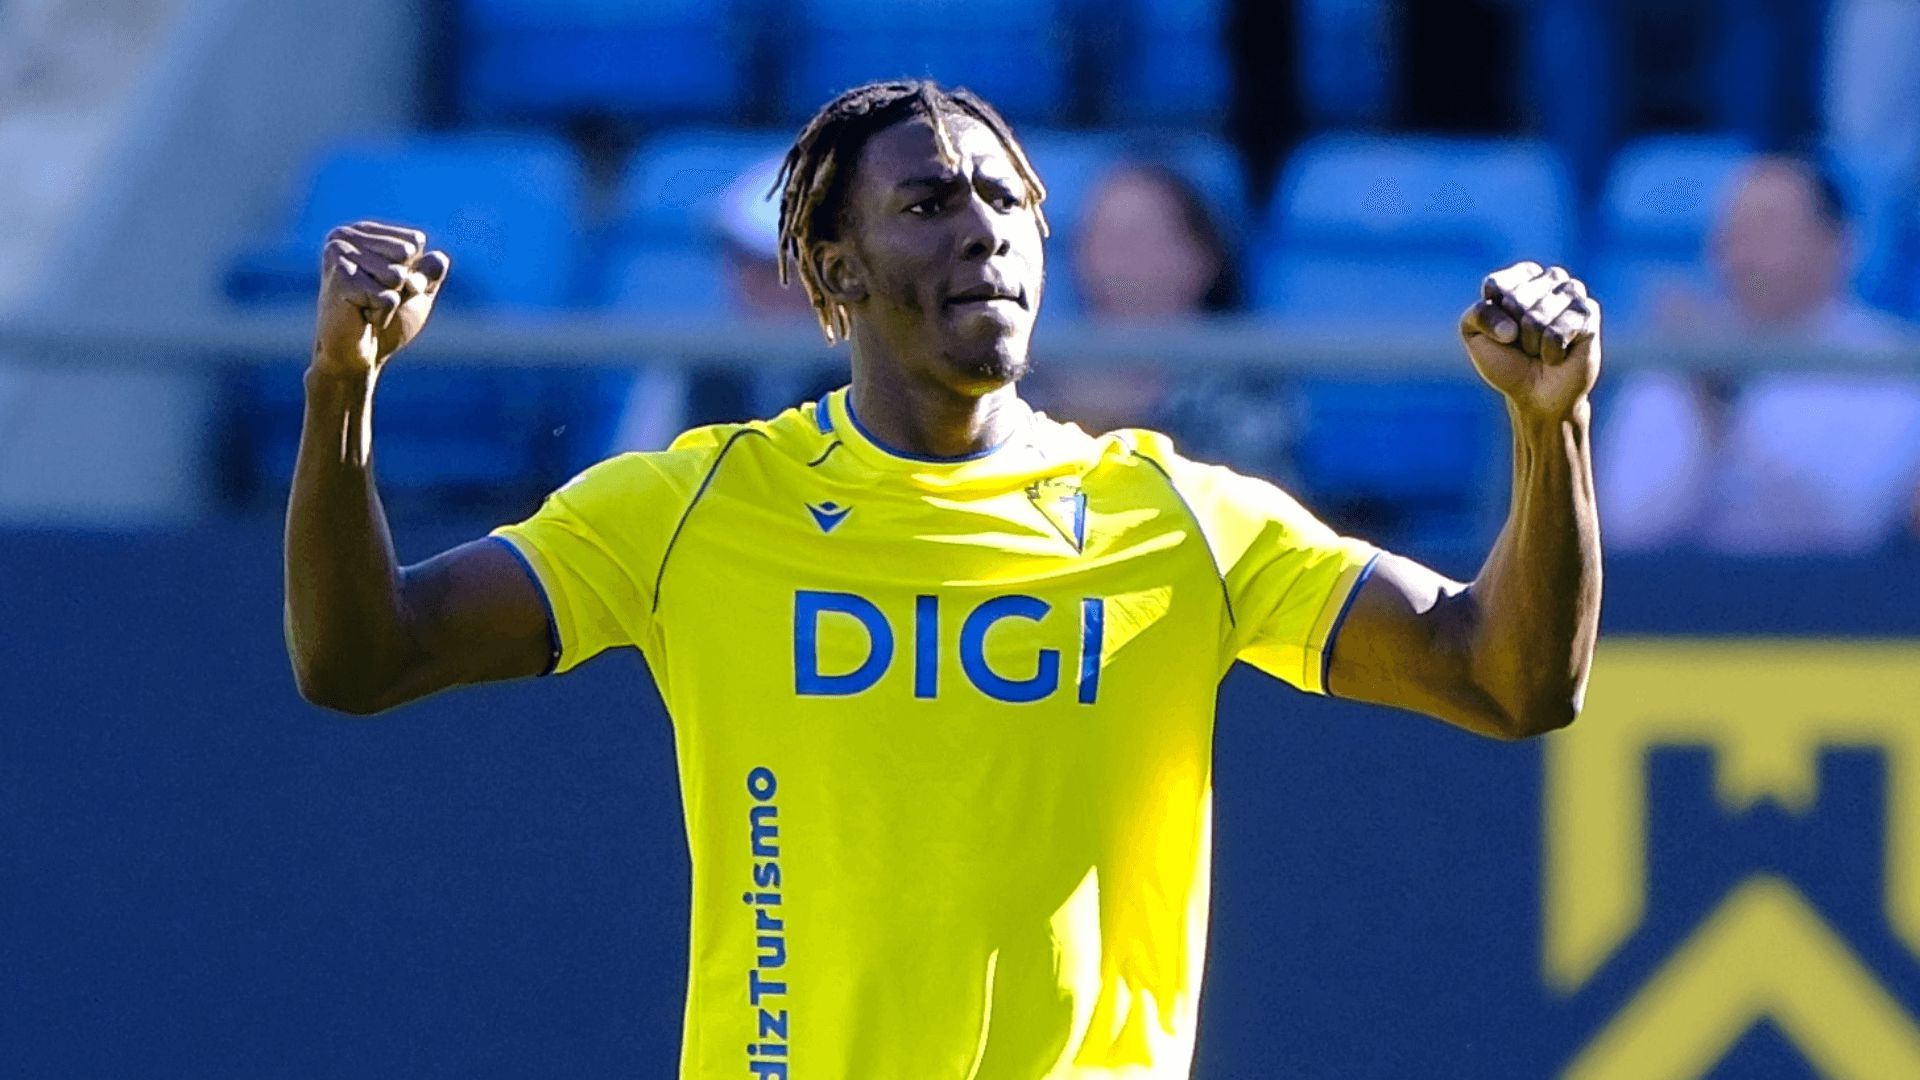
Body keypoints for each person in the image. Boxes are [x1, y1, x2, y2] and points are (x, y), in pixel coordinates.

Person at [285, 80, 1602, 1077]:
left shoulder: (1178, 518)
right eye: (929, 204)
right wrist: (343, 391)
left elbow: (1507, 680)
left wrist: (1552, 433)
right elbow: (363, 658)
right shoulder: (692, 507)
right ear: (837, 270)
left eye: (1006, 201)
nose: (986, 233)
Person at [1600, 154, 1920, 554]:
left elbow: (1846, 529)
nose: (1741, 251)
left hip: (1832, 609)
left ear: (1838, 245)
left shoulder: (1891, 365)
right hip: (1679, 606)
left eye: (1767, 229)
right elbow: (1628, 527)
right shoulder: (1677, 356)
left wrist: (1723, 406)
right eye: (1732, 231)